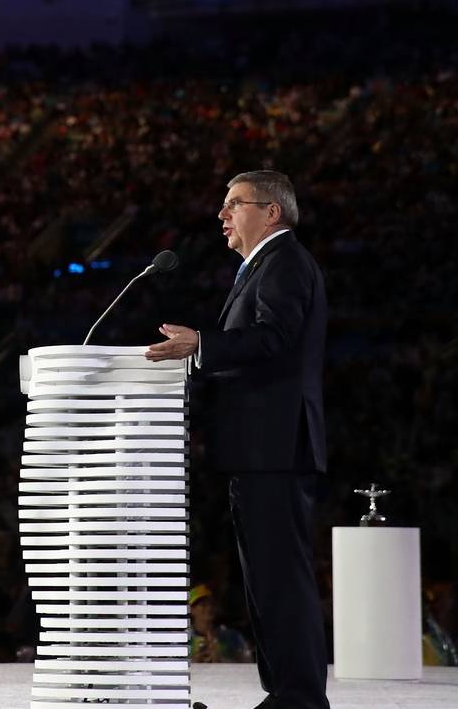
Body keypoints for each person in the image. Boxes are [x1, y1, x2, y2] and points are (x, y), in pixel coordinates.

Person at [146, 170, 330, 709]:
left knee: (281, 581)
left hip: (274, 448)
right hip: (258, 450)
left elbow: (273, 338)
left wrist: (202, 346)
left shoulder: (285, 261)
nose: (222, 216)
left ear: (271, 212)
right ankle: (285, 696)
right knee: (265, 583)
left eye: (234, 204)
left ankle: (298, 700)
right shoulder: (264, 266)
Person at [188, 584, 253, 663]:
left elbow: (247, 663)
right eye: (203, 605)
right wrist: (194, 662)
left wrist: (220, 660)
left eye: (211, 603)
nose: (209, 608)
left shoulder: (232, 637)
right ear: (191, 609)